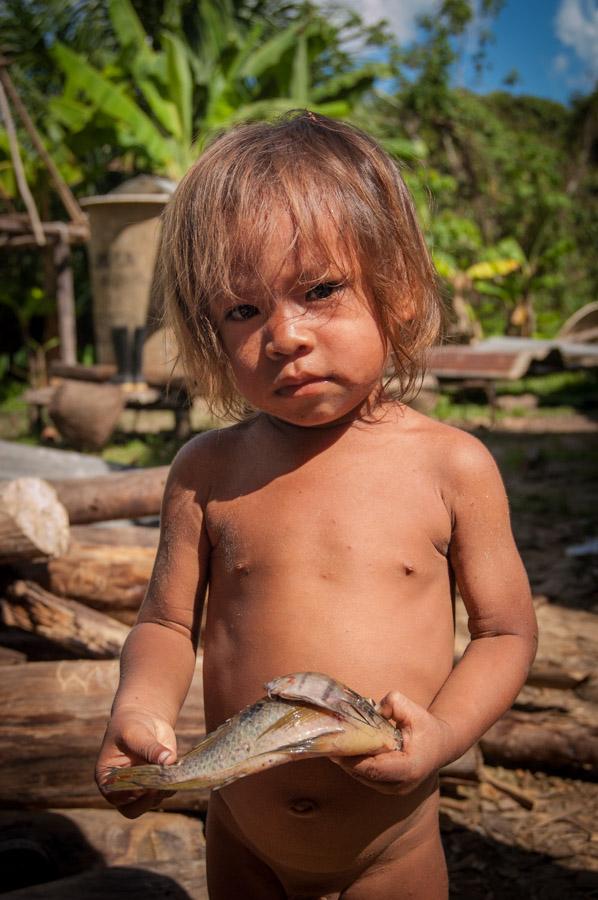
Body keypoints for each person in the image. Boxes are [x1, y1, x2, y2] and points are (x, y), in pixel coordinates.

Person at [96, 111, 537, 899]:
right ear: (209, 330)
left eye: (319, 290)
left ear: (396, 291)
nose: (284, 335)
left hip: (390, 854)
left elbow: (506, 633)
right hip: (242, 842)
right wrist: (139, 709)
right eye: (243, 310)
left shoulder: (450, 465)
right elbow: (165, 625)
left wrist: (442, 737)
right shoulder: (207, 471)